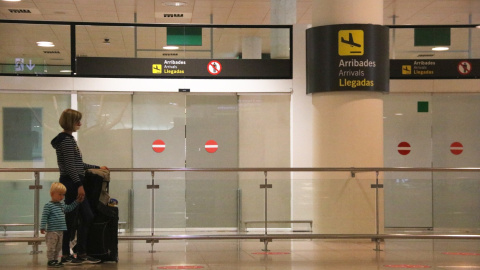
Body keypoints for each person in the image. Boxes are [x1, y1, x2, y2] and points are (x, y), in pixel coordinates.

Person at [51, 108, 109, 264]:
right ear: (71, 122)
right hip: (72, 183)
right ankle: (69, 254)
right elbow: (71, 167)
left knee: (81, 217)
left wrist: (96, 166)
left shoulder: (66, 140)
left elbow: (77, 164)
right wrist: (79, 185)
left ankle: (78, 253)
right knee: (75, 218)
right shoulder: (67, 141)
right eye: (77, 121)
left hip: (71, 182)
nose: (80, 123)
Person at [41, 182, 83, 268]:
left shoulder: (62, 205)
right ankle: (50, 260)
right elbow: (44, 217)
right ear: (52, 194)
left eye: (63, 195)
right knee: (51, 247)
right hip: (52, 231)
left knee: (58, 247)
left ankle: (55, 260)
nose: (62, 197)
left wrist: (76, 202)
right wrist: (42, 226)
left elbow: (69, 208)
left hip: (61, 230)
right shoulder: (48, 206)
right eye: (59, 194)